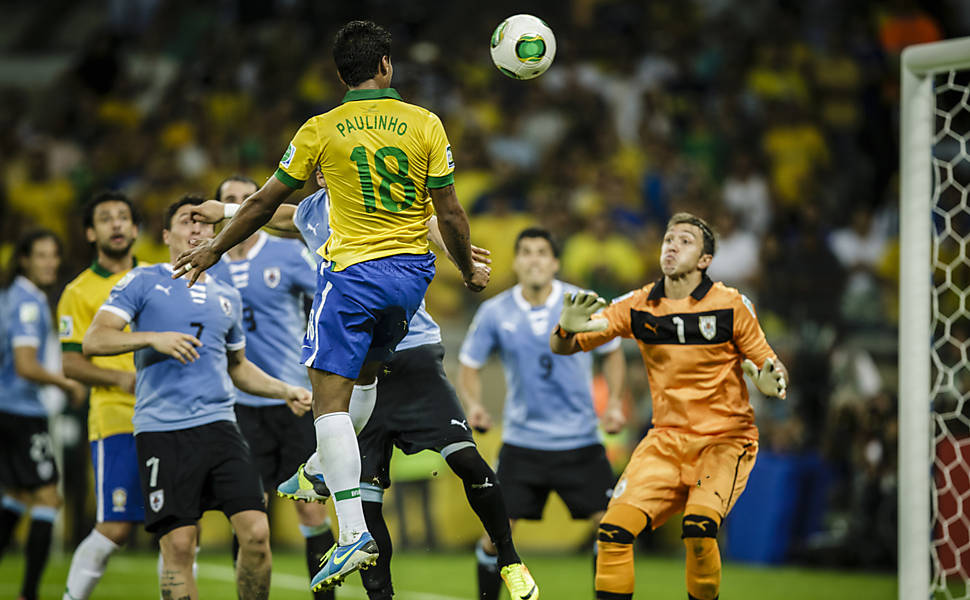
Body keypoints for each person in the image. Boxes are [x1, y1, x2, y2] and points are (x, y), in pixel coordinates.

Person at [172, 20, 494, 593]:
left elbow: (265, 201)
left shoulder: (322, 129)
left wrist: (213, 250)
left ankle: (351, 532)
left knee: (328, 402)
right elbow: (448, 213)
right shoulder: (425, 122)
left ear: (339, 74)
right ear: (386, 66)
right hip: (411, 279)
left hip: (355, 277)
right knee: (365, 374)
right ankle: (321, 467)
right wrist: (467, 267)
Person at [191, 172, 535, 600]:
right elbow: (283, 215)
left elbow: (432, 222)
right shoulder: (315, 210)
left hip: (411, 353)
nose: (324, 170)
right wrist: (225, 211)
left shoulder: (385, 197)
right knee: (368, 500)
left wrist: (460, 258)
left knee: (466, 460)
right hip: (355, 365)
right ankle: (373, 582)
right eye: (318, 168)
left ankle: (508, 557)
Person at [82, 196, 313, 600]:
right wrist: (154, 337)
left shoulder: (227, 296)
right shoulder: (142, 280)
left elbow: (237, 366)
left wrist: (285, 389)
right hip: (163, 431)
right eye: (186, 224)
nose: (197, 231)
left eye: (204, 225)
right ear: (166, 235)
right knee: (179, 545)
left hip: (222, 427)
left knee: (257, 534)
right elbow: (94, 339)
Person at [549, 212, 788, 600]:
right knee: (612, 533)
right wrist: (565, 328)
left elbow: (771, 368)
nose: (672, 246)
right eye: (668, 240)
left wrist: (768, 381)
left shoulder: (731, 305)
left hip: (724, 441)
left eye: (685, 241)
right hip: (666, 441)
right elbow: (564, 347)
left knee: (698, 528)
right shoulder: (638, 305)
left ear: (705, 260)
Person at [458, 227, 626, 600]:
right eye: (526, 252)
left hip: (580, 440)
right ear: (516, 262)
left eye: (541, 252)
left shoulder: (579, 303)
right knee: (494, 535)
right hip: (522, 443)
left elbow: (611, 352)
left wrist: (614, 402)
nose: (534, 259)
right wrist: (475, 406)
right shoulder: (495, 311)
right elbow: (469, 364)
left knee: (611, 530)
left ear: (554, 263)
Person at [207, 175, 336, 600]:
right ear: (217, 207)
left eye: (248, 199)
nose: (240, 205)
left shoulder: (286, 252)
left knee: (309, 507)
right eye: (229, 199)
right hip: (236, 405)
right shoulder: (212, 260)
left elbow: (327, 295)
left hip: (292, 399)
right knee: (248, 513)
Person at [57, 191, 171, 600]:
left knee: (176, 524)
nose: (117, 225)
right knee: (117, 525)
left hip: (169, 415)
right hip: (116, 416)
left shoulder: (163, 276)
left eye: (124, 217)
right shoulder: (78, 291)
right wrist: (121, 381)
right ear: (90, 232)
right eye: (106, 219)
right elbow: (70, 364)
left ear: (138, 229)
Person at [0, 229, 85, 600]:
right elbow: (25, 365)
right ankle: (29, 594)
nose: (50, 262)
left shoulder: (10, 297)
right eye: (41, 256)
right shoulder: (29, 304)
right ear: (24, 259)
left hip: (7, 411)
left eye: (54, 255)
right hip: (21, 411)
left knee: (18, 495)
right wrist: (66, 384)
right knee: (49, 499)